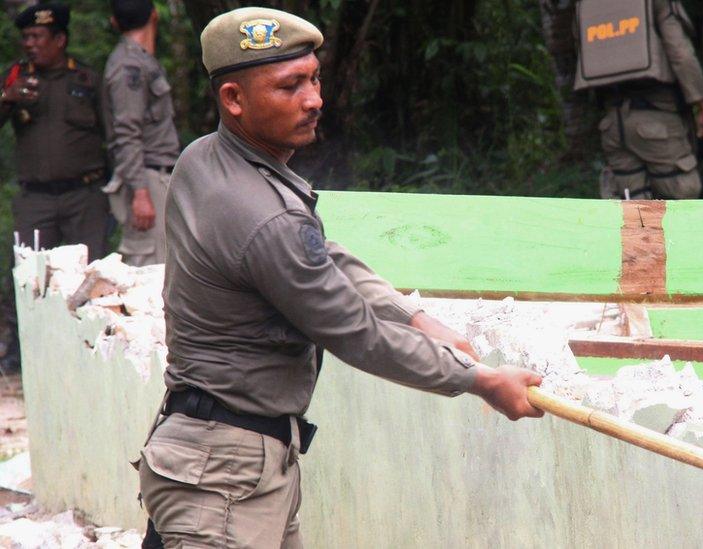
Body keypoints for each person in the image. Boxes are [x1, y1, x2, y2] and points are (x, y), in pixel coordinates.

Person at [136, 8, 543, 547]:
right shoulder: (264, 215)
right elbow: (355, 332)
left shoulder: (204, 160)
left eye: (314, 78)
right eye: (290, 86)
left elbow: (321, 252)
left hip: (225, 461)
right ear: (233, 99)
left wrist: (415, 316)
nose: (314, 99)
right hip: (223, 478)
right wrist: (480, 381)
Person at [577, 0, 703, 200]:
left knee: (632, 206)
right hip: (657, 120)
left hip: (612, 123)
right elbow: (681, 54)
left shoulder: (588, 5)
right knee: (681, 200)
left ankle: (643, 231)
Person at [0, 3, 108, 259]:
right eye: (26, 37)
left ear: (59, 39)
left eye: (37, 36)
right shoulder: (15, 77)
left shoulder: (87, 79)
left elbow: (113, 133)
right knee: (31, 280)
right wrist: (7, 97)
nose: (29, 44)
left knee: (91, 279)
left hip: (84, 197)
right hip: (36, 200)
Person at [102, 0, 180, 266]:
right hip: (145, 178)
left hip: (159, 176)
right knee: (148, 272)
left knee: (168, 266)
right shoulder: (128, 67)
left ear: (114, 22)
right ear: (155, 15)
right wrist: (140, 192)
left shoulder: (142, 61)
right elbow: (126, 133)